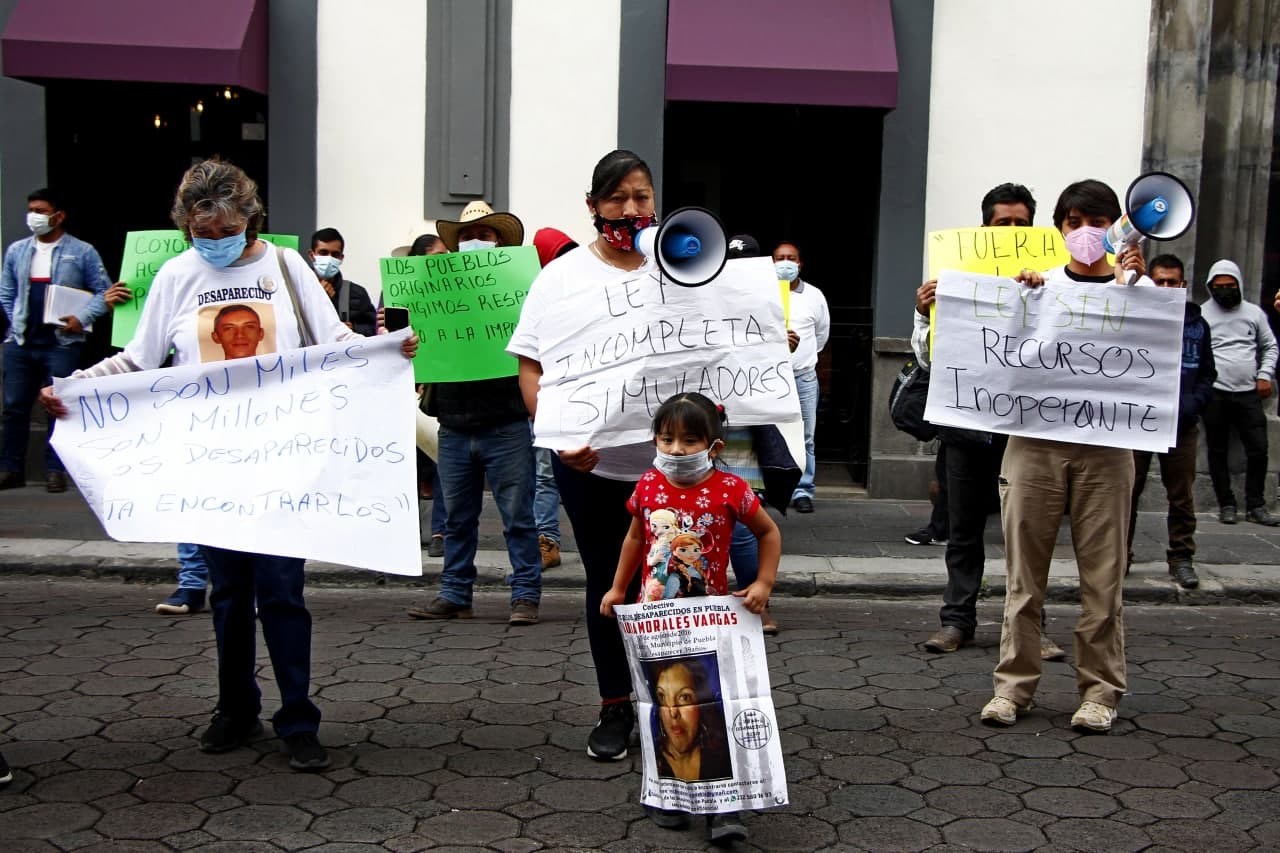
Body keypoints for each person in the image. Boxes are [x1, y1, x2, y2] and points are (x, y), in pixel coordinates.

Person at [39, 158, 419, 771]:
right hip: (212, 463)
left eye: (225, 231)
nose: (213, 243)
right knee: (229, 593)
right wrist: (76, 385)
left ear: (249, 217)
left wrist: (386, 348)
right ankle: (235, 707)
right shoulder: (176, 274)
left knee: (282, 592)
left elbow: (335, 341)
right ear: (186, 226)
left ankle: (298, 717)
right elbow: (136, 360)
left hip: (283, 460)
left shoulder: (289, 268)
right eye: (201, 233)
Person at [508, 150, 677, 761]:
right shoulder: (561, 277)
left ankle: (673, 706)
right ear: (593, 206)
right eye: (617, 199)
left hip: (672, 471)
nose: (631, 210)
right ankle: (615, 706)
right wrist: (555, 433)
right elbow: (530, 364)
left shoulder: (685, 267)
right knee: (610, 585)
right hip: (592, 468)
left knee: (675, 586)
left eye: (641, 196)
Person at [980, 179, 1149, 734]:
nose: (1083, 232)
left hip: (1106, 452)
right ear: (1059, 229)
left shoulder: (1136, 293)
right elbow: (986, 355)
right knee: (1024, 577)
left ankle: (1100, 692)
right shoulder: (1038, 286)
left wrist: (1142, 287)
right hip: (1034, 446)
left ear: (1112, 227)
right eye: (1073, 222)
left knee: (1103, 578)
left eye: (1094, 222)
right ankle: (1013, 689)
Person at [600, 391, 778, 844]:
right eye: (667, 439)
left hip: (713, 620)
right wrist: (619, 588)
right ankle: (667, 793)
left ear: (713, 447)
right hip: (656, 619)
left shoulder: (732, 489)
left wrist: (763, 585)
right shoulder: (647, 486)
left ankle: (724, 804)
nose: (677, 450)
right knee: (662, 705)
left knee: (712, 702)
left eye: (690, 440)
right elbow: (635, 540)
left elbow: (768, 532)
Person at [913, 183, 1064, 661]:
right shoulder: (954, 279)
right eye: (1004, 225)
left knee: (1029, 533)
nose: (1013, 232)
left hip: (1025, 430)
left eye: (1022, 225)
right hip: (966, 425)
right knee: (963, 530)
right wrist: (924, 316)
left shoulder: (1053, 283)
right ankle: (957, 621)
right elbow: (927, 359)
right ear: (985, 230)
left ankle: (1031, 628)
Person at [407, 201, 542, 626]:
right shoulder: (435, 293)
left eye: (484, 235)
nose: (474, 243)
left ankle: (525, 596)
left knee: (518, 518)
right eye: (467, 236)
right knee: (457, 518)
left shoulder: (522, 292)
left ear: (500, 243)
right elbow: (409, 338)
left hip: (506, 423)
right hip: (453, 425)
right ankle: (454, 593)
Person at [0, 188, 113, 493]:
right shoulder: (17, 251)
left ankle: (55, 470)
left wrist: (82, 318)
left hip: (61, 342)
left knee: (59, 405)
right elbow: (6, 292)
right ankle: (10, 469)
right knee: (14, 407)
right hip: (21, 342)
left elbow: (105, 292)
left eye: (40, 210)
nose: (33, 217)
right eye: (31, 210)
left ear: (58, 216)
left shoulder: (82, 251)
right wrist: (16, 320)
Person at [1127, 254, 1216, 590]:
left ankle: (1181, 557)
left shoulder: (1197, 324)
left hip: (1181, 423)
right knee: (1127, 494)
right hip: (1138, 423)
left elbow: (1208, 373)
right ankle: (1120, 556)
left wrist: (1192, 405)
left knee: (1181, 496)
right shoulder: (1135, 318)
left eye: (1172, 281)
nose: (1166, 287)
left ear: (1182, 285)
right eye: (1159, 280)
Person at [1200, 258, 1279, 526]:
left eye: (1230, 285)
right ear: (1210, 287)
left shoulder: (1254, 313)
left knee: (1258, 449)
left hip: (1248, 393)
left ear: (1239, 285)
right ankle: (1227, 504)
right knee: (1217, 450)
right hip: (1215, 394)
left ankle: (1256, 505)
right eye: (1218, 286)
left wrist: (1264, 375)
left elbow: (1270, 346)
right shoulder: (1202, 314)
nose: (1224, 290)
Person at [529, 227, 579, 569]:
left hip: (583, 396)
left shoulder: (582, 291)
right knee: (546, 475)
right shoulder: (536, 298)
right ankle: (546, 539)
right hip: (549, 398)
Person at [773, 241, 829, 513]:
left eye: (791, 258)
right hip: (770, 377)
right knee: (769, 432)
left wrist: (802, 354)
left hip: (803, 377)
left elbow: (821, 336)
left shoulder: (815, 296)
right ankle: (768, 488)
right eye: (780, 258)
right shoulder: (763, 293)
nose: (785, 262)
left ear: (800, 263)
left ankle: (802, 490)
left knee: (806, 436)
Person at [402, 233, 450, 557]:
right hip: (405, 389)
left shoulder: (453, 293)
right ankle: (406, 530)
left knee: (442, 459)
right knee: (406, 464)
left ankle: (440, 532)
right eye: (438, 255)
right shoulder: (399, 294)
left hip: (439, 390)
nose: (445, 261)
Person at [309, 228, 376, 337]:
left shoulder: (357, 293)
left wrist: (354, 328)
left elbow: (375, 329)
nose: (329, 258)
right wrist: (318, 297)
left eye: (335, 254)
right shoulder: (297, 288)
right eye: (323, 253)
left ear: (341, 258)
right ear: (312, 255)